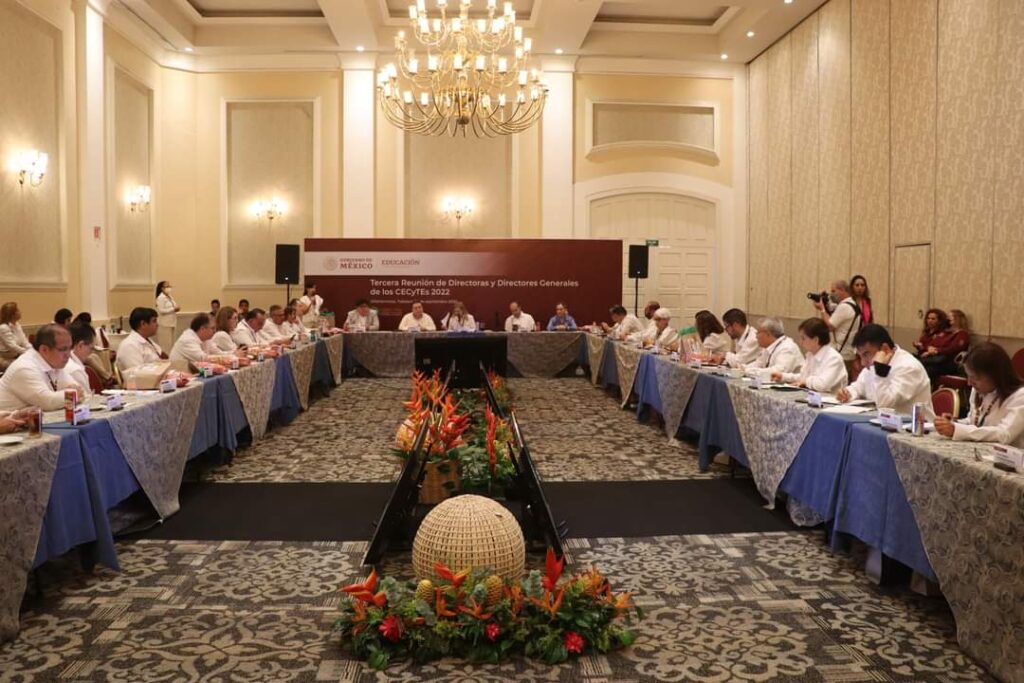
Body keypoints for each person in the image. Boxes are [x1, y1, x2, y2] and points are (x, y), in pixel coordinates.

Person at [934, 342, 1024, 447]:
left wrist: (957, 430)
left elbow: (1004, 434)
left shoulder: (1020, 396)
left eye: (975, 378)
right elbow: (974, 423)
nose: (969, 383)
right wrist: (953, 423)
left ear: (995, 375)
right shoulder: (978, 390)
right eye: (968, 376)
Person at [837, 324, 932, 414]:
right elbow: (858, 387)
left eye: (866, 354)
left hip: (914, 425)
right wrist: (848, 393)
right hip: (883, 422)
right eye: (860, 356)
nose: (863, 363)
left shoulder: (909, 367)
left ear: (885, 349)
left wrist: (879, 370)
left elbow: (884, 404)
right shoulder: (871, 366)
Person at [0, 325, 86, 411]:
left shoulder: (54, 363)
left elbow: (80, 391)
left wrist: (71, 394)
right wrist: (73, 394)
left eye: (70, 348)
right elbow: (48, 403)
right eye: (63, 349)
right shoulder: (24, 368)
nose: (68, 355)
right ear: (44, 349)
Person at [773, 318, 847, 393]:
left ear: (816, 340)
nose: (800, 342)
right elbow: (803, 377)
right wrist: (783, 376)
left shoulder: (834, 358)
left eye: (803, 338)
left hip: (830, 398)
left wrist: (805, 381)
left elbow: (822, 385)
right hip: (812, 395)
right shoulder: (811, 354)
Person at [813, 279, 862, 369]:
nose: (831, 294)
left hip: (841, 353)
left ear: (842, 290)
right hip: (847, 352)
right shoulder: (851, 304)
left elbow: (830, 326)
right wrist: (823, 302)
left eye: (833, 291)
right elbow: (832, 309)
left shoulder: (844, 306)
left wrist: (822, 309)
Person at [116, 308, 165, 372]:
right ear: (143, 324)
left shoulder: (147, 340)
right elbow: (139, 373)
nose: (157, 324)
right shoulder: (129, 345)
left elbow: (162, 357)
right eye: (154, 321)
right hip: (147, 377)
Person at [65, 322, 97, 397]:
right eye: (91, 348)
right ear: (80, 345)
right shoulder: (75, 370)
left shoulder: (66, 362)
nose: (91, 353)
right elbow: (86, 401)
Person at [0, 301, 32, 369]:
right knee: (26, 367)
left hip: (17, 355)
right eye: (17, 310)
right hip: (5, 358)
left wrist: (32, 349)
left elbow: (24, 341)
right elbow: (12, 346)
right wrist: (27, 352)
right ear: (12, 314)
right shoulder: (3, 327)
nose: (20, 312)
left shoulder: (17, 324)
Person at [155, 280, 181, 352]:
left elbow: (173, 306)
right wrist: (173, 309)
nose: (169, 287)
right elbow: (161, 311)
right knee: (166, 346)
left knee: (171, 345)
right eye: (167, 286)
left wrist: (176, 308)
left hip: (172, 323)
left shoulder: (170, 296)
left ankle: (171, 358)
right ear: (162, 288)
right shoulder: (160, 298)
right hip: (164, 324)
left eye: (169, 286)